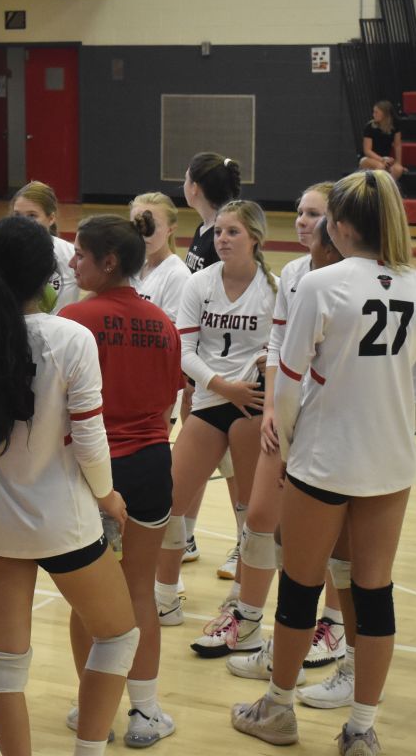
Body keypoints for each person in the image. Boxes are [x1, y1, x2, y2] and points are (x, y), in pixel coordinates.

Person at [230, 170, 416, 756]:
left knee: (300, 588)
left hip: (322, 462)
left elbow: (289, 387)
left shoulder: (321, 286)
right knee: (374, 593)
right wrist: (393, 426)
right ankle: (360, 730)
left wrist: (292, 447)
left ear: (341, 227)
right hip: (390, 465)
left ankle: (277, 710)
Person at [0, 215, 139, 756]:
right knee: (119, 635)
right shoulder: (71, 337)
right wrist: (109, 496)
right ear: (48, 277)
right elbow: (90, 438)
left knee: (5, 662)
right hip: (64, 523)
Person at [59, 213, 186, 748]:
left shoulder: (74, 319)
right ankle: (146, 712)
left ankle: (96, 710)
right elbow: (167, 404)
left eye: (80, 255)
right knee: (139, 592)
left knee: (89, 601)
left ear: (107, 262)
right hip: (154, 464)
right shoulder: (163, 324)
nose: (71, 262)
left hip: (94, 474)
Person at [224, 190, 350, 680]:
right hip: (290, 414)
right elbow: (279, 346)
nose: (303, 223)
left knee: (338, 538)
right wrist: (276, 406)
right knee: (262, 518)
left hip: (330, 424)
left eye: (314, 215)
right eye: (299, 213)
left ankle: (333, 626)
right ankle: (251, 619)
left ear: (339, 226)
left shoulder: (348, 282)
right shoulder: (297, 275)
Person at [155, 201, 276, 637]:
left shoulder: (274, 289)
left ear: (255, 239)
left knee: (249, 513)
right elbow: (184, 352)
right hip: (211, 400)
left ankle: (241, 602)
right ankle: (164, 595)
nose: (222, 239)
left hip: (252, 407)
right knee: (170, 500)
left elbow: (279, 352)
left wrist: (256, 378)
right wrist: (222, 387)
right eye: (219, 231)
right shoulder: (199, 283)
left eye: (233, 233)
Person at [177, 153, 246, 579]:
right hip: (198, 365)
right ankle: (185, 534)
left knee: (233, 461)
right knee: (195, 454)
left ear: (195, 187)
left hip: (224, 367)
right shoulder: (205, 230)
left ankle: (244, 541)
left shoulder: (224, 233)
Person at [0, 181, 78, 315]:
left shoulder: (70, 254)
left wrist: (76, 313)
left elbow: (103, 283)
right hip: (14, 333)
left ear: (51, 218)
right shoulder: (1, 250)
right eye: (17, 215)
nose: (23, 222)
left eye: (32, 216)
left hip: (59, 334)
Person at [127, 193, 189, 323]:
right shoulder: (131, 267)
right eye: (138, 224)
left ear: (170, 229)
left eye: (152, 225)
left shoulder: (177, 275)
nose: (144, 233)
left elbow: (170, 333)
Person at [359, 101, 405, 179]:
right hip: (369, 159)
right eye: (373, 112)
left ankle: (387, 188)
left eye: (376, 112)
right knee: (380, 166)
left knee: (398, 169)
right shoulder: (369, 127)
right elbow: (367, 151)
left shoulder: (395, 126)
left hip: (385, 158)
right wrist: (381, 159)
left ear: (385, 114)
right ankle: (378, 189)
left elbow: (397, 146)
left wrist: (398, 163)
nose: (374, 114)